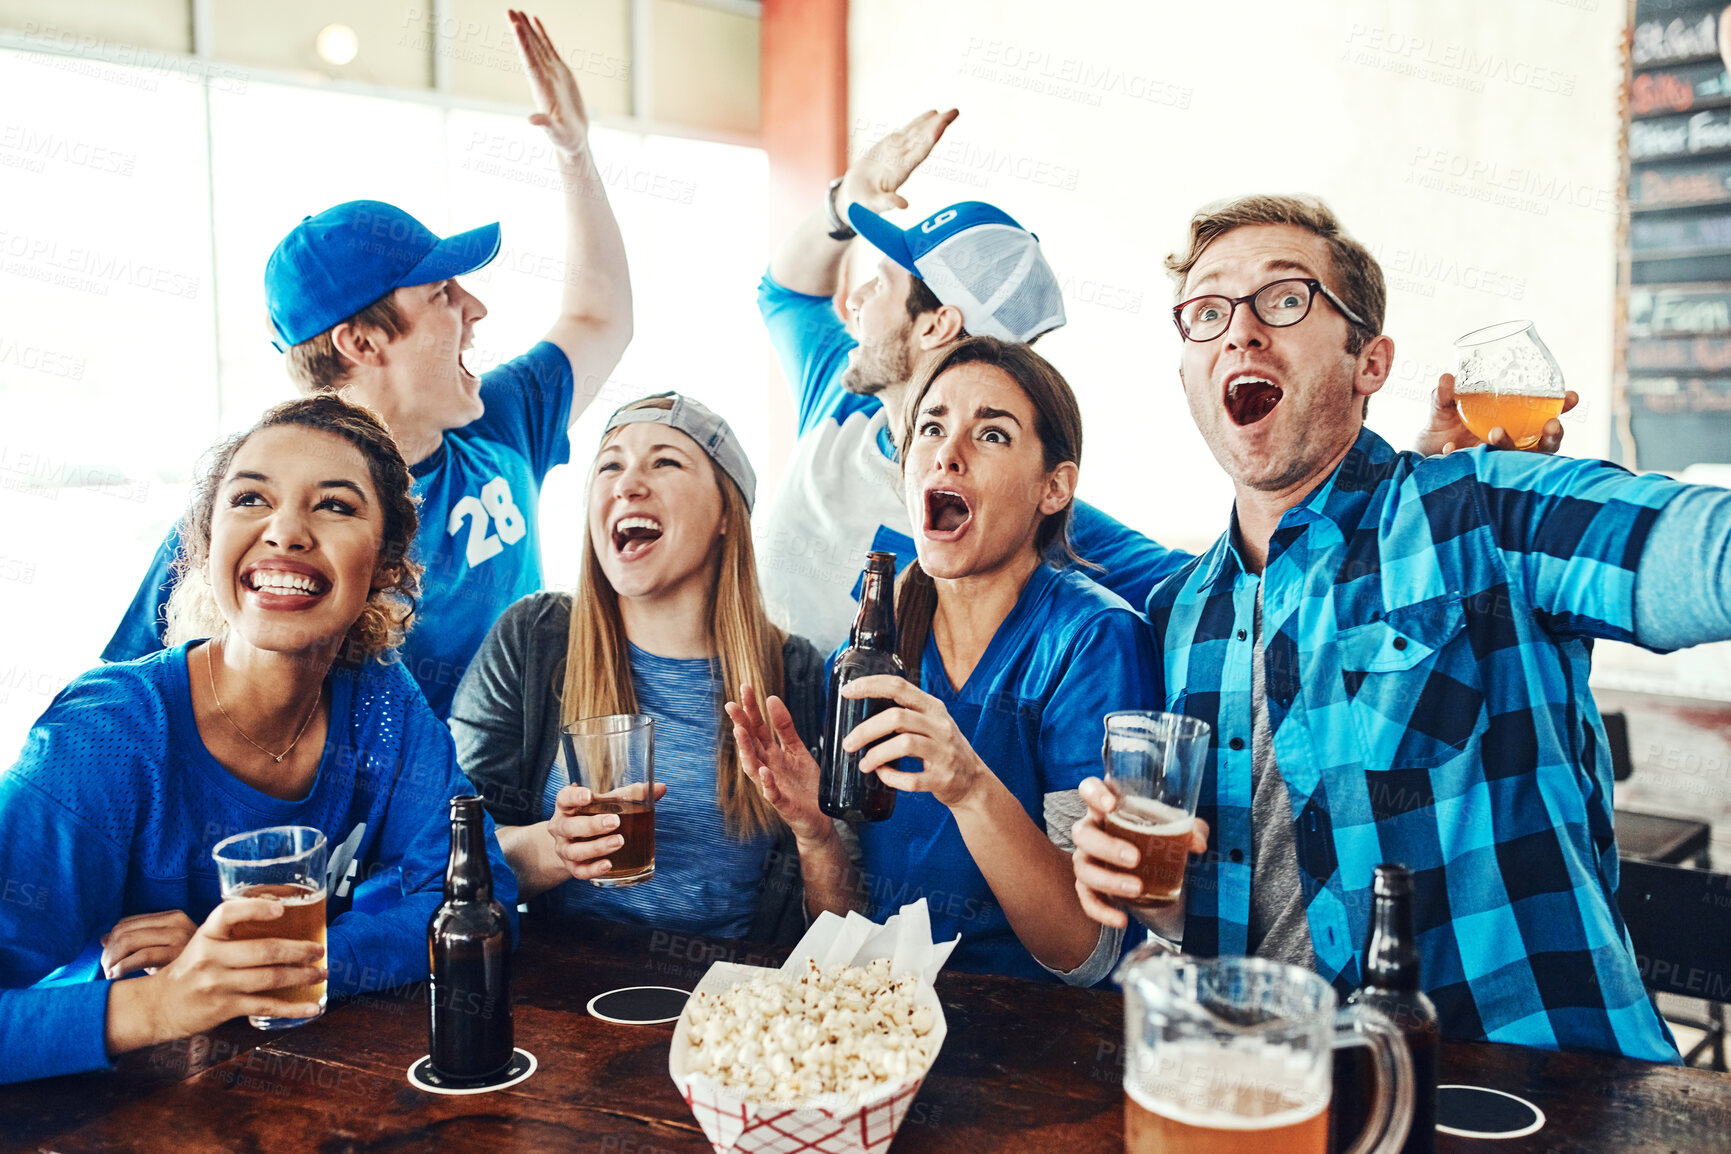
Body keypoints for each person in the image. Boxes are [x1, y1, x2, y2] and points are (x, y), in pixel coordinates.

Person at [1070, 194, 1731, 1063]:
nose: (1238, 331)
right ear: (1186, 375)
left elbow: (1703, 553)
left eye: (1283, 299)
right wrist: (1140, 889)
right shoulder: (1184, 615)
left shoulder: (1478, 511)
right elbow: (1225, 901)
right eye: (1206, 311)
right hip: (1281, 1090)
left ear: (1369, 362)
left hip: (1529, 1091)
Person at [754, 111, 1573, 655]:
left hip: (863, 804)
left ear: (935, 326)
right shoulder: (842, 394)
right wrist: (842, 199)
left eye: (880, 280)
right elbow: (782, 290)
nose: (852, 296)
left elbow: (1242, 597)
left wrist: (1417, 494)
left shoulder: (1037, 512)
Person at [102, 10, 633, 718]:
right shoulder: (252, 521)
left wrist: (574, 150)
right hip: (377, 829)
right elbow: (123, 703)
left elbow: (601, 318)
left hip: (527, 816)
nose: (475, 307)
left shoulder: (495, 425)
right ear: (361, 342)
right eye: (442, 292)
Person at [0, 396, 515, 1085]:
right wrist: (169, 1000)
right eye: (250, 498)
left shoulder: (383, 704)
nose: (286, 531)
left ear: (388, 563)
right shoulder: (103, 739)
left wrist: (268, 959)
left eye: (334, 506)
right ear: (207, 542)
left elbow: (475, 899)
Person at [733, 337, 1162, 985]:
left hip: (1032, 1044)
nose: (948, 452)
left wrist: (968, 785)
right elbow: (844, 934)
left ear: (1053, 488)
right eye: (930, 427)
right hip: (888, 1026)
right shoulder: (866, 656)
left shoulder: (1094, 639)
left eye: (990, 435)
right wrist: (817, 833)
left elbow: (1087, 953)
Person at [449, 394, 857, 943]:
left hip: (737, 1003)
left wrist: (817, 836)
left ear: (724, 515)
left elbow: (845, 930)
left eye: (664, 462)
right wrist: (555, 846)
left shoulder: (797, 672)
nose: (627, 483)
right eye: (610, 465)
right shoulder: (534, 637)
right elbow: (447, 856)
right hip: (566, 1001)